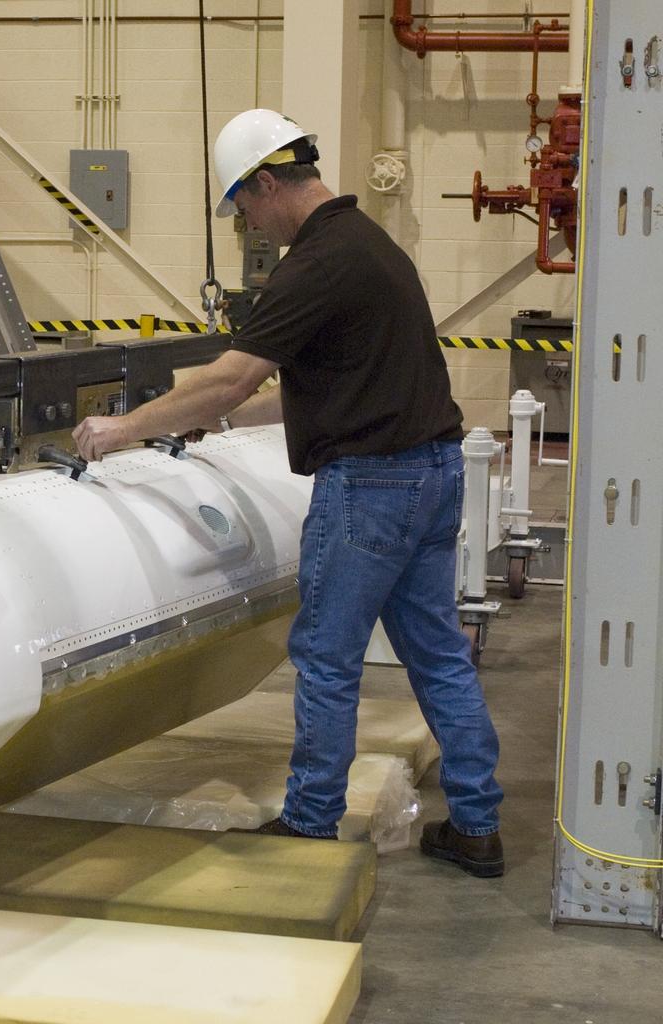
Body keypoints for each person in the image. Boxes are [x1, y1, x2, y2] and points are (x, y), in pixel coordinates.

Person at [72, 109, 504, 877]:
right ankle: (477, 827)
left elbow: (236, 370)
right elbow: (319, 382)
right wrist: (223, 418)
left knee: (326, 658)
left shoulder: (316, 262)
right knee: (437, 657)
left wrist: (127, 427)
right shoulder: (373, 247)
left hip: (372, 486)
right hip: (432, 474)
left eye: (243, 207)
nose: (250, 227)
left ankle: (308, 824)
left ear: (267, 183)